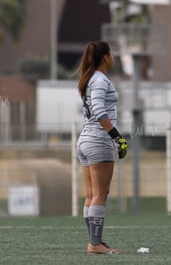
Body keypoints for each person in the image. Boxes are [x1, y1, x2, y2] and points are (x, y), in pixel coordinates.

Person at [76, 41, 128, 255]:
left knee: (91, 195)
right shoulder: (100, 80)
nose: (114, 57)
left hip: (85, 140)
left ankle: (94, 241)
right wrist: (117, 137)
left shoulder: (90, 80)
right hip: (98, 141)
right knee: (100, 194)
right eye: (112, 54)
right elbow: (98, 110)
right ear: (105, 57)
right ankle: (95, 244)